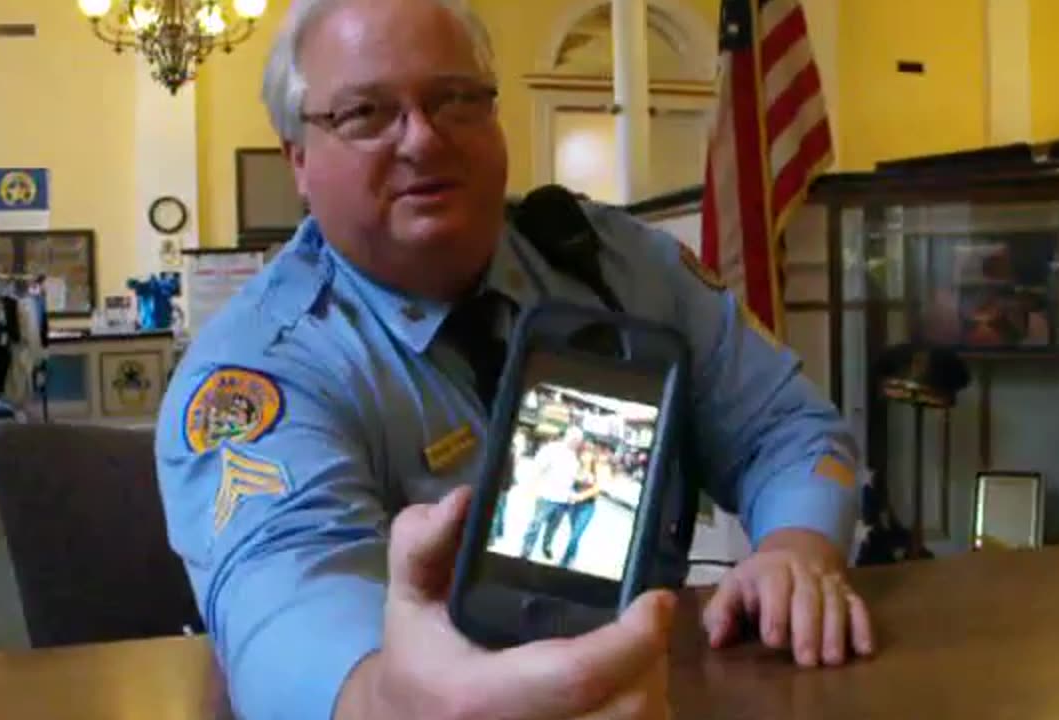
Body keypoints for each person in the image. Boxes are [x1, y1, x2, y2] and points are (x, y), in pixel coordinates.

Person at [154, 0, 875, 718]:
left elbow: (789, 431)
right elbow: (285, 601)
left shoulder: (623, 270)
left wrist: (797, 547)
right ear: (299, 160)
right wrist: (390, 703)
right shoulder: (262, 369)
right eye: (367, 113)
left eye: (455, 100)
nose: (423, 140)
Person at [520, 426, 584, 561]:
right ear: (568, 436)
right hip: (546, 496)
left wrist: (579, 482)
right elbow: (538, 468)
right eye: (576, 439)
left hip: (563, 500)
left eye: (579, 441)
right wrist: (533, 488)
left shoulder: (574, 456)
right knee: (535, 524)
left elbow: (570, 477)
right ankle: (526, 551)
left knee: (552, 528)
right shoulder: (552, 449)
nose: (577, 443)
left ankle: (546, 546)